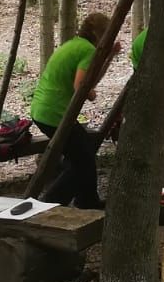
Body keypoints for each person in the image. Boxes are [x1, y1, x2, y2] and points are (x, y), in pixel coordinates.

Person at [30, 11, 121, 208]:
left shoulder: (75, 44)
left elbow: (91, 78)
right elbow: (81, 86)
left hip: (43, 110)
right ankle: (52, 203)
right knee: (83, 161)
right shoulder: (88, 50)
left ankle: (86, 200)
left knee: (82, 156)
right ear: (99, 34)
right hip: (54, 113)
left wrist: (110, 56)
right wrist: (90, 93)